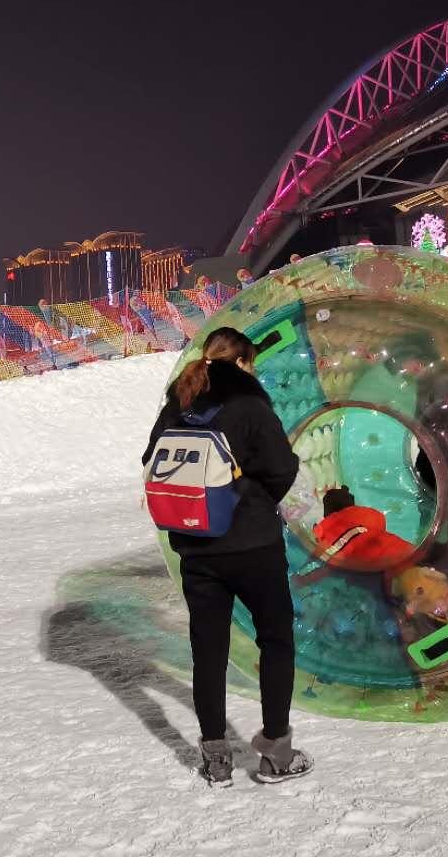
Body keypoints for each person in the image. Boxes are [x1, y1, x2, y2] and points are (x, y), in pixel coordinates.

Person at [142, 327, 312, 788]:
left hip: (196, 546)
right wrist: (253, 501)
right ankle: (276, 752)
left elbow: (151, 459)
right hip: (253, 545)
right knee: (275, 640)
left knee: (208, 651)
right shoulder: (251, 406)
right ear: (240, 362)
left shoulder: (178, 404)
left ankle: (215, 758)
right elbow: (282, 468)